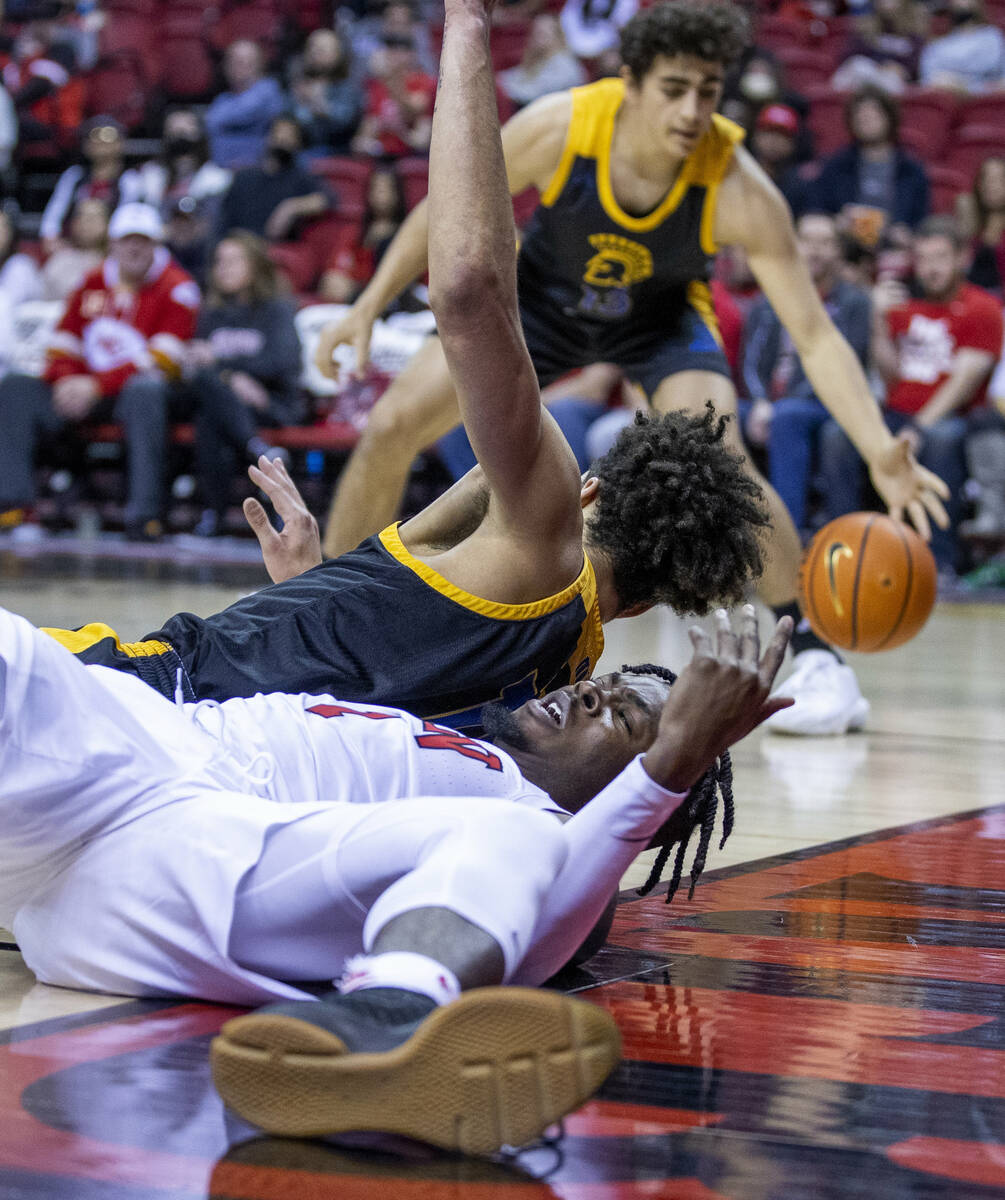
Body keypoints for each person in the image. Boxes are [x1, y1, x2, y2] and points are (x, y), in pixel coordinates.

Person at [42, 8, 771, 729]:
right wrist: (309, 586)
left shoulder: (545, 528)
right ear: (649, 602)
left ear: (589, 492)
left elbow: (468, 295)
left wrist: (466, 30)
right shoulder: (557, 684)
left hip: (142, 694)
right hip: (212, 759)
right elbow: (381, 696)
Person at [312, 0, 949, 736]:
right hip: (545, 304)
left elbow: (814, 333)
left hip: (660, 318)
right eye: (674, 88)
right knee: (390, 424)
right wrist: (367, 304)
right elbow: (439, 211)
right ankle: (330, 602)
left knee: (721, 459)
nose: (691, 110)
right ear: (631, 81)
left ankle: (808, 649)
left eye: (708, 91)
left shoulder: (736, 181)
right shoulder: (562, 125)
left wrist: (877, 447)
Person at [0, 591, 793, 1150]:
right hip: (94, 857)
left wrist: (672, 768)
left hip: (149, 825)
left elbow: (559, 928)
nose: (590, 693)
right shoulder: (471, 755)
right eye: (605, 684)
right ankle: (378, 1035)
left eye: (619, 718)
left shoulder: (548, 834)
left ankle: (385, 1022)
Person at [0, 203, 200, 541]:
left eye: (143, 240)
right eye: (126, 240)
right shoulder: (91, 282)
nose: (134, 248)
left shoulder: (178, 287)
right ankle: (15, 507)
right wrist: (66, 381)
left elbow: (161, 359)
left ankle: (145, 516)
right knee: (16, 388)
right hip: (86, 390)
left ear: (156, 245)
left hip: (139, 396)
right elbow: (63, 342)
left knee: (145, 390)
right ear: (113, 244)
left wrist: (96, 385)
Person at [820, 215, 1004, 574]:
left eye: (939, 258)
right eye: (922, 259)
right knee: (836, 435)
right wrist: (876, 321)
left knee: (940, 439)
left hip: (954, 416)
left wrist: (918, 428)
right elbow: (892, 377)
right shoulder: (902, 306)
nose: (930, 269)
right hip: (897, 412)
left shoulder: (982, 308)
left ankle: (939, 561)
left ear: (962, 258)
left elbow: (962, 384)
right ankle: (844, 549)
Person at [741, 212, 872, 537]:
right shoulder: (769, 298)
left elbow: (845, 364)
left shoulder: (854, 303)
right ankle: (725, 535)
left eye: (825, 242)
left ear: (838, 252)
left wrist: (778, 406)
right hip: (769, 403)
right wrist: (759, 402)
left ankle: (786, 536)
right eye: (807, 241)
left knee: (788, 416)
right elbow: (750, 362)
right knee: (717, 416)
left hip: (828, 403)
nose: (815, 250)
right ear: (794, 245)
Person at [184, 232, 304, 537]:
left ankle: (215, 515)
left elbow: (283, 361)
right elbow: (201, 365)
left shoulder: (276, 308)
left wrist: (229, 371)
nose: (223, 268)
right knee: (209, 412)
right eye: (219, 262)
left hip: (270, 402)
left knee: (211, 412)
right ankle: (258, 449)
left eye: (234, 260)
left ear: (256, 265)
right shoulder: (212, 313)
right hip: (230, 406)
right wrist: (229, 379)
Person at [808, 86, 930, 243]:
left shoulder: (912, 170)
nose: (866, 118)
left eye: (874, 113)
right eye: (860, 114)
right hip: (845, 246)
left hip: (894, 248)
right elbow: (818, 212)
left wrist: (907, 234)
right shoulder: (835, 166)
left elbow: (922, 222)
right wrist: (836, 223)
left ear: (889, 117)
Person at [39, 116, 148, 253]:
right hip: (73, 248)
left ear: (121, 143)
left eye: (109, 136)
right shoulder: (74, 176)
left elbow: (128, 218)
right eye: (95, 136)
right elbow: (53, 215)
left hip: (112, 250)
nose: (101, 142)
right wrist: (51, 238)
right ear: (86, 145)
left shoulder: (130, 180)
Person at [218, 115, 331, 242]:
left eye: (290, 136)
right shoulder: (244, 177)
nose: (282, 139)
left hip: (274, 248)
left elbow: (327, 200)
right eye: (278, 133)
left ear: (298, 144)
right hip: (239, 244)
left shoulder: (301, 177)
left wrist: (291, 207)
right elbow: (223, 221)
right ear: (268, 137)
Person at [318, 165, 408, 303]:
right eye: (377, 188)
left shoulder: (407, 233)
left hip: (391, 299)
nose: (381, 193)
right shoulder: (355, 232)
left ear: (398, 193)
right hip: (354, 295)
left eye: (387, 188)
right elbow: (335, 270)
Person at [350, 31, 436, 159]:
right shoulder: (376, 85)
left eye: (398, 52)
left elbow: (416, 109)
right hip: (381, 154)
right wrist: (364, 141)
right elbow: (369, 125)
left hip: (411, 154)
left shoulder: (425, 81)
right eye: (389, 51)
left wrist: (387, 79)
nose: (392, 57)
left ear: (411, 55)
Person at [204, 40, 285, 170]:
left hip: (258, 171)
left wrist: (220, 120)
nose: (241, 66)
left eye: (248, 61)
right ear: (225, 66)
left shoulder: (268, 90)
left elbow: (246, 111)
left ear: (260, 65)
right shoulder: (222, 99)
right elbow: (211, 124)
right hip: (220, 170)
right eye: (235, 61)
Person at [288, 28, 365, 158]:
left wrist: (320, 105)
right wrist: (303, 104)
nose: (314, 53)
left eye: (321, 50)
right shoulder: (298, 84)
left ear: (337, 55)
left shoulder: (348, 87)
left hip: (339, 151)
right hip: (303, 150)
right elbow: (294, 120)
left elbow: (345, 121)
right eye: (311, 48)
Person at [497, 13, 587, 110]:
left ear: (558, 36)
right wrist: (497, 80)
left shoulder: (564, 64)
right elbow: (518, 75)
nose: (537, 37)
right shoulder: (540, 58)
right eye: (536, 32)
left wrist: (501, 88)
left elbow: (532, 94)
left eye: (543, 33)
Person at [919, 0, 1005, 94]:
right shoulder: (938, 44)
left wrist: (964, 83)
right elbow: (929, 76)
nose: (962, 3)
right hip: (950, 91)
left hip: (987, 90)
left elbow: (992, 65)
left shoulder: (992, 35)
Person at [39, 196, 108, 302]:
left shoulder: (116, 263)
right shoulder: (59, 260)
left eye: (93, 217)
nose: (86, 222)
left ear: (107, 224)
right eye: (81, 217)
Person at [957, 156, 1005, 298]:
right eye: (985, 179)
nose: (991, 185)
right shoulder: (971, 223)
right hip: (968, 300)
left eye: (999, 179)